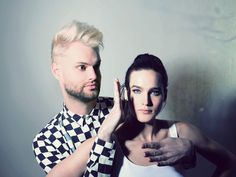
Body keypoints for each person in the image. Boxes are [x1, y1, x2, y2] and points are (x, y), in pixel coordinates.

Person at [32, 21, 196, 177]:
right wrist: (104, 136)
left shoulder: (124, 107)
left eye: (96, 66)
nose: (93, 76)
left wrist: (189, 150)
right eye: (82, 67)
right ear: (57, 71)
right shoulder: (47, 141)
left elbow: (163, 146)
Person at [110, 53, 236, 177]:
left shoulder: (182, 132)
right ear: (126, 93)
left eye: (154, 92)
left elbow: (230, 163)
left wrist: (190, 147)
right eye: (137, 91)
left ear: (164, 94)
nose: (146, 101)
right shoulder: (110, 141)